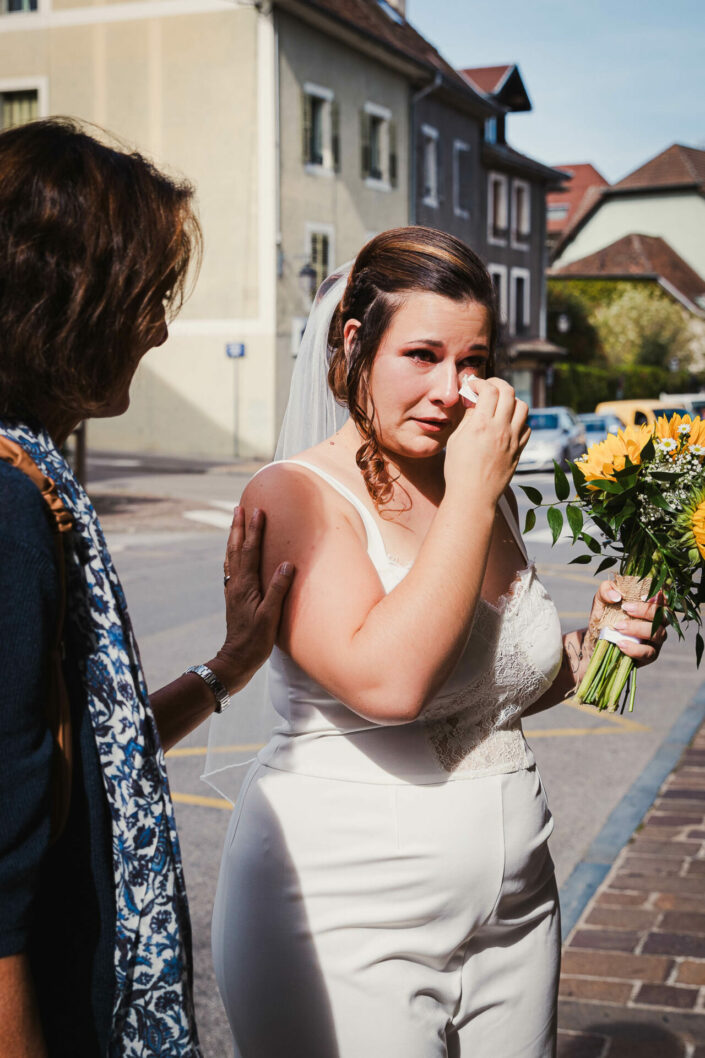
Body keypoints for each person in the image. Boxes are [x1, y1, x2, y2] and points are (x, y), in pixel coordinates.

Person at [211, 227, 666, 1058]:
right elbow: (391, 684)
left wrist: (594, 642)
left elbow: (494, 684)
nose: (454, 391)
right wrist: (473, 490)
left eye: (473, 361)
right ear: (355, 345)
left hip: (518, 906)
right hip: (345, 913)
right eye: (421, 355)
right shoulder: (295, 495)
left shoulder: (469, 491)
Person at [0, 118, 293, 1058]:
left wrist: (227, 667)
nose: (160, 326)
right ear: (62, 296)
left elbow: (87, 756)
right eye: (143, 295)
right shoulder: (10, 507)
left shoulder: (34, 476)